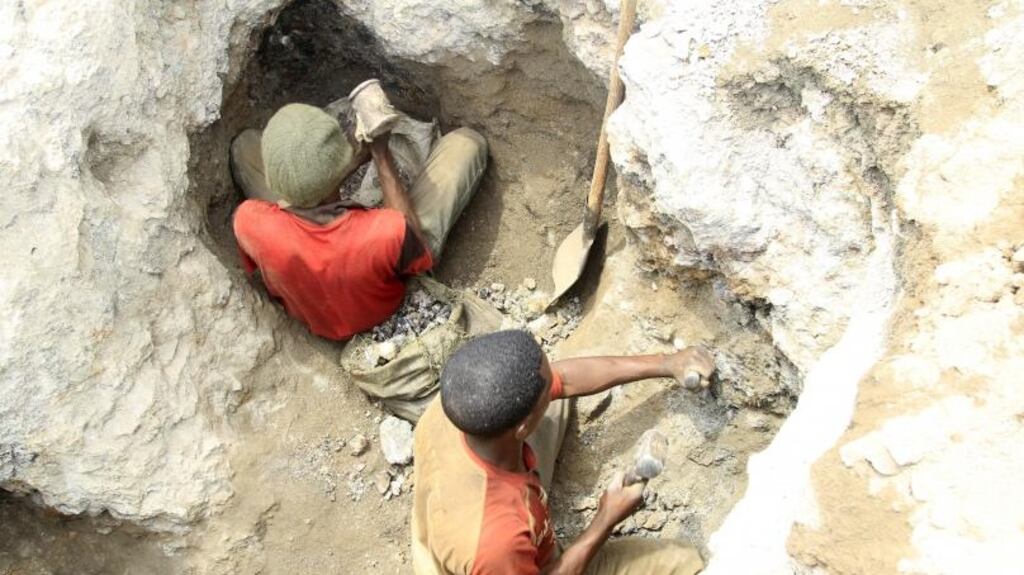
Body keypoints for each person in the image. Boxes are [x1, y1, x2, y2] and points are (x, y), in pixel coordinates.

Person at [411, 330, 715, 574]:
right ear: (522, 428)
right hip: (496, 557)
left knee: (547, 396)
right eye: (548, 391)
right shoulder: (496, 543)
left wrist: (665, 363)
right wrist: (605, 519)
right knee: (682, 561)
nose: (558, 383)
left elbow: (564, 379)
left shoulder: (461, 400)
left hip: (459, 511)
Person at [230, 79, 487, 341]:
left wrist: (347, 165)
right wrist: (380, 154)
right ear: (337, 170)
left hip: (316, 314)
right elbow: (404, 230)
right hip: (380, 306)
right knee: (467, 143)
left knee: (244, 146)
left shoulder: (249, 221)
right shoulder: (384, 233)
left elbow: (306, 207)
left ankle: (304, 180)